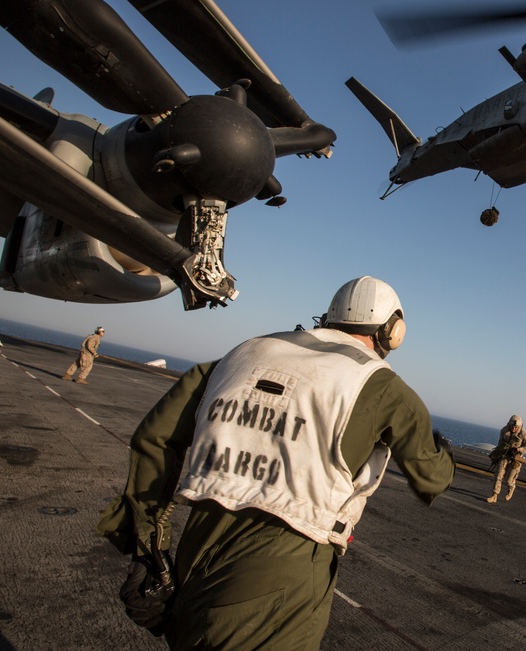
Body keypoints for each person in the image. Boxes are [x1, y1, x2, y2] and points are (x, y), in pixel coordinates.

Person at [96, 276, 455, 649]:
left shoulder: (241, 355)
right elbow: (431, 477)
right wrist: (441, 450)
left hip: (194, 560)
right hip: (284, 580)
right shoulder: (380, 384)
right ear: (393, 331)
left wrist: (150, 549)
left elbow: (154, 439)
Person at [486, 415, 526, 503]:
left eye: (516, 427)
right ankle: (494, 495)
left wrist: (520, 449)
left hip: (516, 459)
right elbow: (500, 442)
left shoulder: (524, 434)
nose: (514, 428)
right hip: (504, 456)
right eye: (512, 426)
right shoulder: (504, 431)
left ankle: (511, 488)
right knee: (498, 475)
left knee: (509, 479)